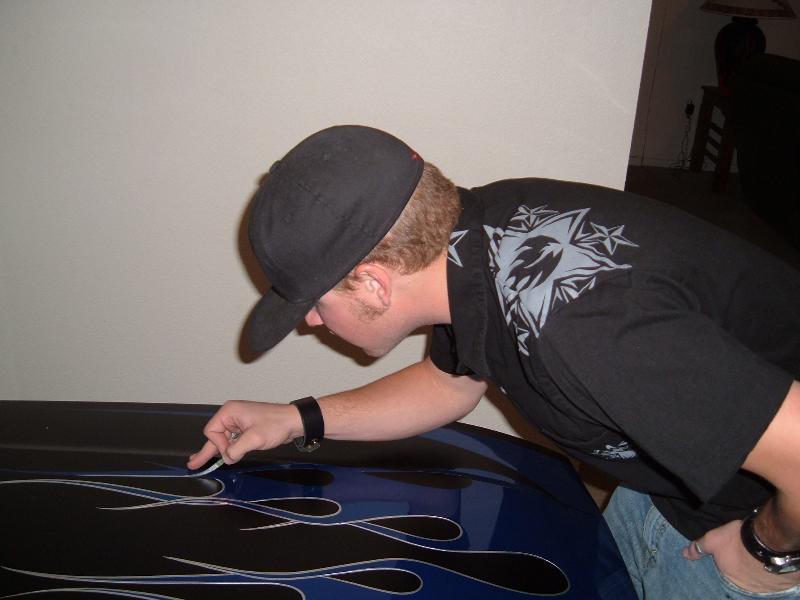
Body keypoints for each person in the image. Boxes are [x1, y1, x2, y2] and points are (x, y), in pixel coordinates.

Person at [186, 125, 800, 599]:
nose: (311, 323)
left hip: (755, 528)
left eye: (315, 304)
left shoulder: (581, 329)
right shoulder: (476, 237)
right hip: (665, 490)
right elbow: (449, 385)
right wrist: (295, 419)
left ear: (373, 283)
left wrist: (765, 553)